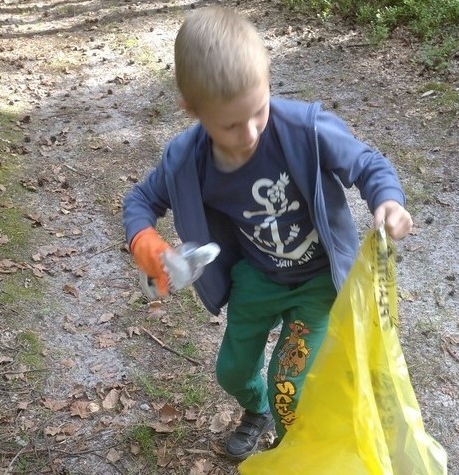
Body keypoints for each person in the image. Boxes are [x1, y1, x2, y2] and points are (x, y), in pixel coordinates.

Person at [122, 6, 413, 461]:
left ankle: (292, 448)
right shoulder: (186, 160)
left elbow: (367, 163)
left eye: (258, 111)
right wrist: (145, 242)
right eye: (230, 125)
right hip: (256, 281)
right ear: (192, 109)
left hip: (315, 282)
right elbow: (140, 201)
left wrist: (388, 200)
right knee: (233, 372)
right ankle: (255, 410)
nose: (250, 132)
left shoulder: (303, 129)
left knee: (289, 381)